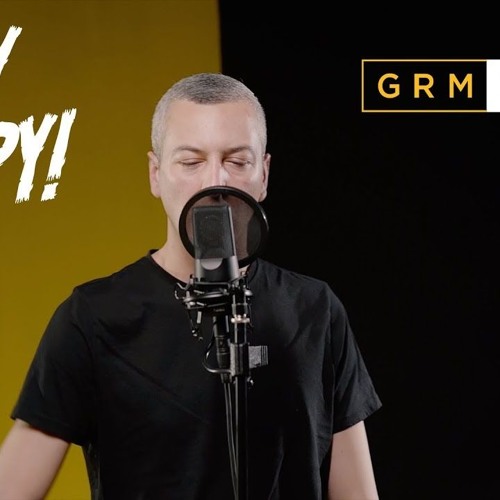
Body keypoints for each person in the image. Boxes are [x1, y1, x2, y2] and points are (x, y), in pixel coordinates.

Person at [0, 72, 382, 499]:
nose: (214, 182)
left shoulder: (315, 311)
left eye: (237, 161)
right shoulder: (92, 318)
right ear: (155, 174)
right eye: (190, 161)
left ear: (264, 174)